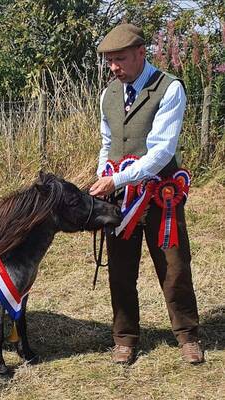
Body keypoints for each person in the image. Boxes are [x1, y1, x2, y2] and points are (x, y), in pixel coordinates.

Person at [89, 23, 204, 365]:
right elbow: (107, 144)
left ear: (142, 53)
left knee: (174, 266)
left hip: (159, 195)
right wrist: (103, 177)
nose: (113, 67)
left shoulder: (169, 89)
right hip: (119, 196)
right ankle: (124, 338)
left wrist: (118, 180)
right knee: (120, 270)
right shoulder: (108, 93)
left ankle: (187, 335)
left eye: (120, 59)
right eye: (109, 61)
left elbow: (161, 152)